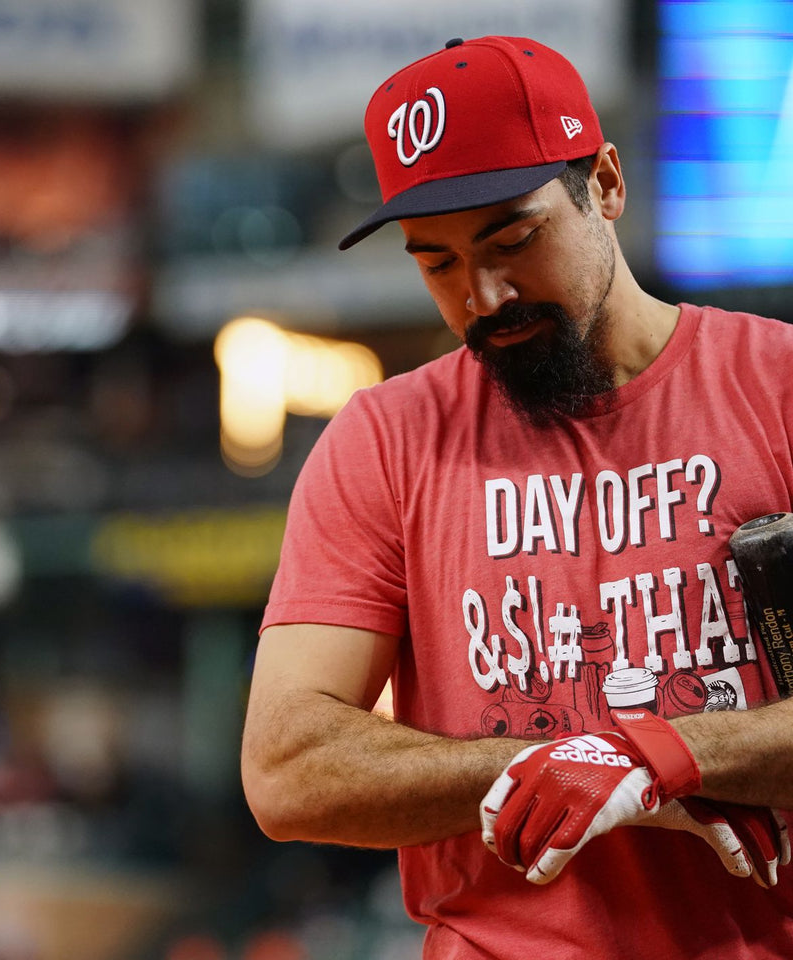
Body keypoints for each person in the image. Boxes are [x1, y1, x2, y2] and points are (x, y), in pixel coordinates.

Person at [240, 35, 793, 959]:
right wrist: (553, 767)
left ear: (606, 184)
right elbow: (288, 769)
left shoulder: (776, 388)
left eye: (513, 239)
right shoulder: (384, 440)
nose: (483, 295)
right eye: (437, 262)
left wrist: (653, 762)